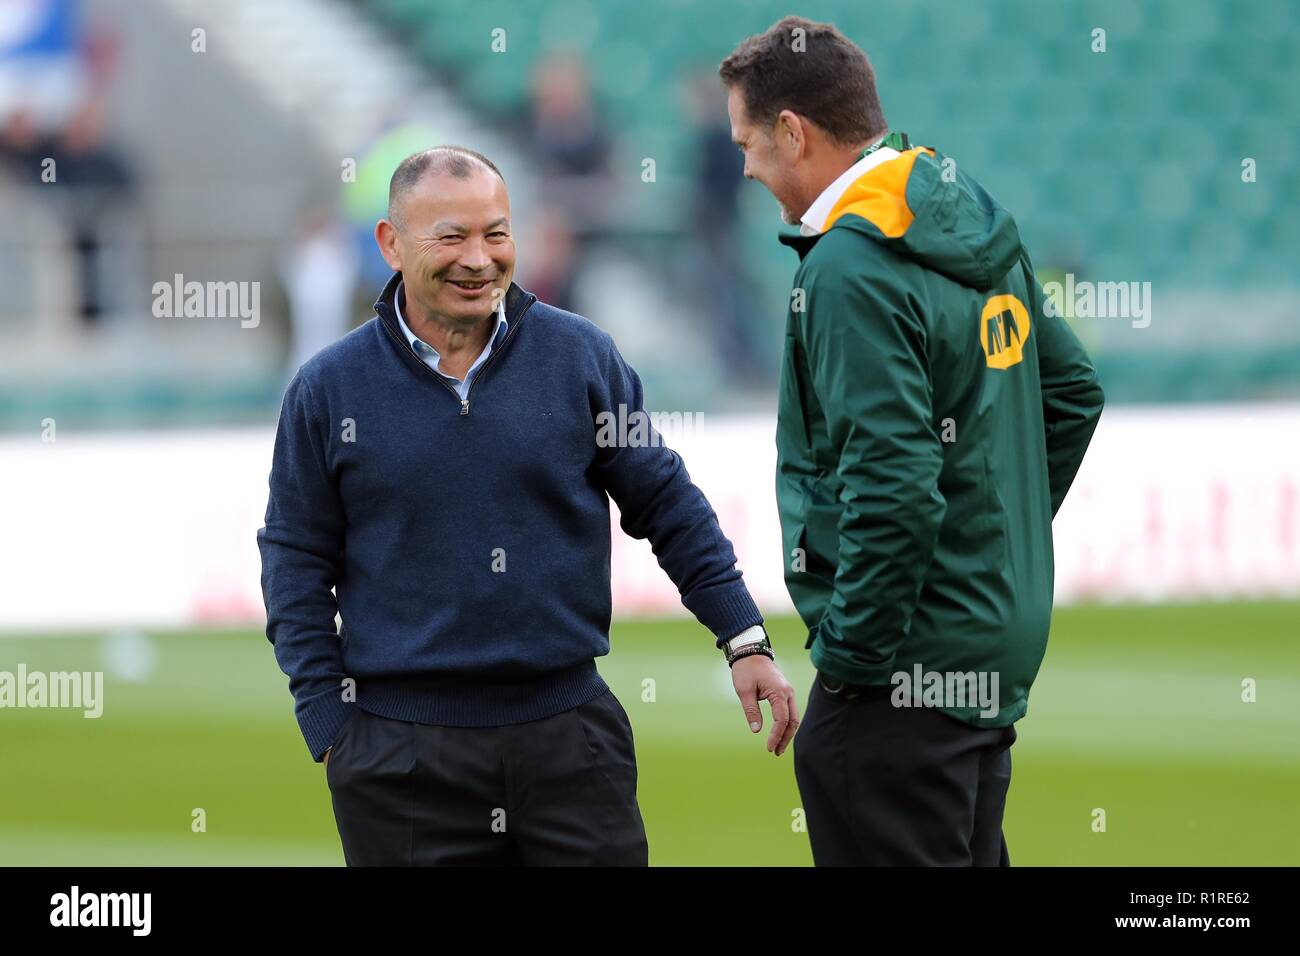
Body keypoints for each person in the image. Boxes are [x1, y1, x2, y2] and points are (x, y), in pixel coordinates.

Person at [256, 145, 798, 866]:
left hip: (571, 744)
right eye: (451, 236)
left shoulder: (581, 357)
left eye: (497, 233)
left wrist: (743, 637)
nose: (479, 258)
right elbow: (294, 556)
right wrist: (327, 720)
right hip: (399, 761)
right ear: (390, 244)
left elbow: (666, 502)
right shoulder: (327, 389)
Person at [720, 17, 1104, 865]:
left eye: (748, 141)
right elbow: (1071, 393)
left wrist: (853, 656)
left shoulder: (850, 266)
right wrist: (988, 545)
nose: (743, 164)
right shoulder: (971, 215)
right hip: (982, 648)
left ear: (794, 132)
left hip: (899, 669)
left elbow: (893, 483)